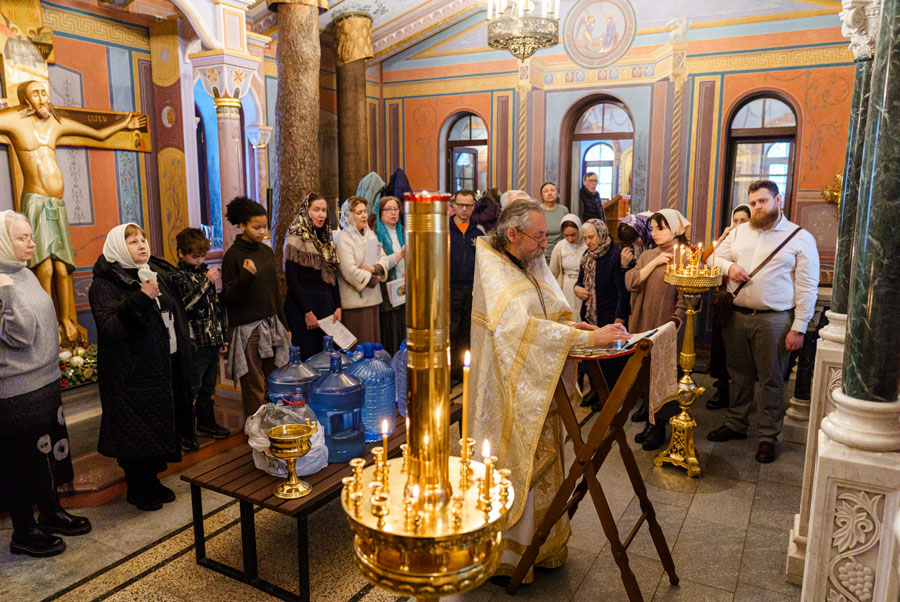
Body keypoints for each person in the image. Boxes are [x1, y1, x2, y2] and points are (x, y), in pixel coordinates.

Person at [469, 200, 629, 585]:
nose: (545, 244)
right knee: (517, 465)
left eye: (545, 236)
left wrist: (576, 329)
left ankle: (543, 548)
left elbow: (548, 312)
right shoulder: (493, 268)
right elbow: (520, 331)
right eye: (538, 237)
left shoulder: (531, 262)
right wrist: (580, 339)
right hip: (509, 392)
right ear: (512, 234)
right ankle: (509, 555)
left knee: (547, 463)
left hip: (540, 383)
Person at [0, 81, 146, 345]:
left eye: (44, 92)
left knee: (62, 267)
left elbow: (96, 133)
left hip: (57, 205)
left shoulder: (55, 123)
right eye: (35, 94)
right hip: (36, 202)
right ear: (25, 100)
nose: (42, 98)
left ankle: (68, 320)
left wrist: (123, 124)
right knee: (44, 268)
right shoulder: (15, 122)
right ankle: (49, 320)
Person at [0, 211, 90, 557]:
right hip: (16, 390)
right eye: (22, 237)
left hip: (45, 381)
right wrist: (5, 290)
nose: (31, 243)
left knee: (48, 456)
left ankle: (50, 513)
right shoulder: (4, 280)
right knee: (20, 462)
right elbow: (21, 335)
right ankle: (24, 531)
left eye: (31, 236)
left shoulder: (23, 273)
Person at [709, 181, 818, 463]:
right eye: (753, 202)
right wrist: (730, 267)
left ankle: (768, 436)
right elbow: (715, 258)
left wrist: (799, 327)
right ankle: (736, 423)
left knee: (771, 379)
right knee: (738, 375)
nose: (757, 207)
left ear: (778, 200)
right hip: (736, 317)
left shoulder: (799, 237)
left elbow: (807, 287)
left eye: (763, 201)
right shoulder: (740, 232)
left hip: (775, 321)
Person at [89, 223, 192, 511]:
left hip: (159, 366)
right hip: (129, 374)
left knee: (156, 429)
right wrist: (142, 298)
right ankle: (137, 488)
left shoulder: (149, 273)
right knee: (135, 434)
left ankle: (152, 480)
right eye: (133, 241)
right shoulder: (104, 285)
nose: (142, 245)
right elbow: (111, 328)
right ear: (118, 247)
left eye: (143, 239)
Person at [221, 197, 290, 419]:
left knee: (275, 379)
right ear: (242, 225)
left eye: (264, 227)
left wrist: (284, 324)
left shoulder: (266, 251)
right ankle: (255, 428)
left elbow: (275, 291)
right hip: (247, 329)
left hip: (272, 325)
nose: (262, 232)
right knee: (254, 385)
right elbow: (229, 298)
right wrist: (246, 277)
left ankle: (275, 425)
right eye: (256, 227)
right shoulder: (233, 256)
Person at [625, 209, 688, 450]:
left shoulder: (684, 257)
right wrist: (654, 262)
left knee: (664, 375)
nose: (655, 233)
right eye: (652, 228)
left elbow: (686, 297)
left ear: (675, 229)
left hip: (666, 324)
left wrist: (676, 320)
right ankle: (650, 420)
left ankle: (660, 425)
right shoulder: (648, 255)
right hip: (644, 321)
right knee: (646, 373)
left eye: (660, 228)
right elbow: (631, 282)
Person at [174, 228, 230, 440]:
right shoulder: (178, 276)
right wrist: (206, 282)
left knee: (208, 387)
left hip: (211, 339)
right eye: (195, 256)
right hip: (194, 342)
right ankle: (185, 430)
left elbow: (216, 308)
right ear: (181, 253)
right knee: (192, 388)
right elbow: (184, 305)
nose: (200, 260)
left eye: (202, 256)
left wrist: (222, 337)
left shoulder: (203, 272)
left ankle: (206, 423)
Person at [574, 218, 631, 405]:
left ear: (601, 234)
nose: (588, 242)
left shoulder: (614, 255)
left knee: (609, 359)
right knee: (592, 356)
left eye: (591, 237)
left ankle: (608, 395)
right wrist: (577, 289)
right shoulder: (587, 256)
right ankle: (596, 390)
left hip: (609, 313)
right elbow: (580, 281)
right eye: (585, 238)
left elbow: (622, 291)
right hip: (590, 313)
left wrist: (619, 318)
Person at [283, 193, 342, 360]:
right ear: (306, 211)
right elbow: (292, 280)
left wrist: (338, 306)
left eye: (324, 210)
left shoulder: (325, 238)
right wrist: (307, 312)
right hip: (303, 306)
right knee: (309, 356)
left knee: (328, 357)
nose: (321, 214)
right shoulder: (296, 235)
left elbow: (332, 276)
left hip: (326, 305)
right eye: (316, 210)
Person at [703, 204, 751, 410]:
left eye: (743, 221)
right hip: (724, 301)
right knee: (720, 347)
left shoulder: (750, 244)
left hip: (743, 300)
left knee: (740, 354)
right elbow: (707, 258)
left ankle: (740, 394)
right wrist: (723, 237)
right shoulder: (729, 241)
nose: (738, 225)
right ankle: (722, 385)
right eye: (736, 221)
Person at [336, 196, 396, 344]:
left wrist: (374, 268)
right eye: (359, 213)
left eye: (365, 211)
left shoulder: (370, 234)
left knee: (374, 347)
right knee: (360, 348)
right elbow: (349, 270)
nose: (364, 216)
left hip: (373, 300)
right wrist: (374, 278)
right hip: (356, 305)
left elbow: (382, 258)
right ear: (349, 216)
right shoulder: (343, 238)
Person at [449, 189, 484, 382]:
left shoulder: (477, 233)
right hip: (450, 287)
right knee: (451, 329)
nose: (464, 209)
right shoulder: (445, 231)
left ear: (473, 207)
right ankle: (450, 369)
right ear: (453, 206)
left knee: (468, 329)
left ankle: (465, 368)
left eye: (468, 205)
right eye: (460, 205)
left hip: (471, 288)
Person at [375, 196, 406, 354]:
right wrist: (399, 256)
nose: (393, 213)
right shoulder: (374, 234)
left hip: (404, 289)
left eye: (396, 209)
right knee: (391, 334)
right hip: (386, 292)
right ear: (380, 212)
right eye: (388, 209)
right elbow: (376, 264)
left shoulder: (403, 231)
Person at [549, 214, 586, 318]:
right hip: (566, 286)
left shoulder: (587, 244)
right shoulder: (560, 246)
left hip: (584, 286)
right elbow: (553, 272)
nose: (569, 239)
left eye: (573, 235)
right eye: (566, 235)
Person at [539, 181, 568, 260]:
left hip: (562, 251)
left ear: (558, 193)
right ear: (542, 195)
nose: (549, 193)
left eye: (552, 190)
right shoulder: (538, 211)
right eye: (546, 191)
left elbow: (567, 231)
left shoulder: (563, 210)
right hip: (543, 253)